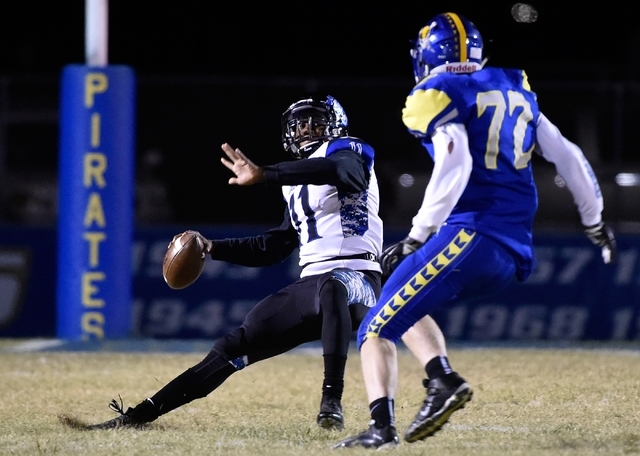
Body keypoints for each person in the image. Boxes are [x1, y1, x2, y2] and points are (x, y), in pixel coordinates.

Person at [334, 12, 617, 449]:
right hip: (513, 244)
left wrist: (418, 232)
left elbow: (456, 157)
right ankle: (441, 379)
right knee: (396, 296)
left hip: (471, 233)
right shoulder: (512, 86)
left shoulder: (432, 93)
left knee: (373, 329)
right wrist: (594, 219)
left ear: (427, 55)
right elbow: (568, 155)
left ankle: (382, 429)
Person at [83, 94, 384, 431]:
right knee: (232, 345)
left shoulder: (350, 151)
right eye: (300, 123)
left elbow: (338, 170)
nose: (306, 130)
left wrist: (266, 174)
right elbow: (274, 246)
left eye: (315, 121)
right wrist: (212, 248)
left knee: (333, 285)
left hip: (360, 278)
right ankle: (139, 416)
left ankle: (331, 401)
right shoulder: (293, 184)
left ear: (335, 125)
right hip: (310, 285)